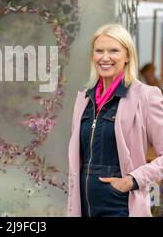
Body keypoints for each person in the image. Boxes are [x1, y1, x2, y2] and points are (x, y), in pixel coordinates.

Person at [67, 23, 163, 217]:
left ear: (127, 56)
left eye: (113, 51)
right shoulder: (84, 98)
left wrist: (131, 180)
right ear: (92, 56)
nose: (105, 57)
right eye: (99, 51)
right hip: (83, 206)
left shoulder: (146, 96)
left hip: (120, 206)